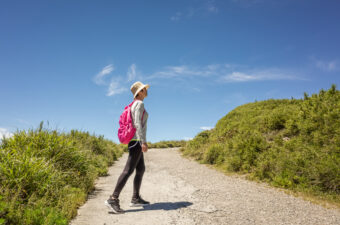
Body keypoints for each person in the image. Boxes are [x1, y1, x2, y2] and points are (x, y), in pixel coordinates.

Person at [105, 81, 150, 214]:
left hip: (134, 140)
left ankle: (135, 198)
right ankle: (113, 199)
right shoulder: (139, 104)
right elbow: (137, 122)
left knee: (140, 169)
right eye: (143, 89)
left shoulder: (133, 104)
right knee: (128, 170)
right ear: (139, 92)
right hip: (136, 140)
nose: (146, 91)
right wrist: (143, 141)